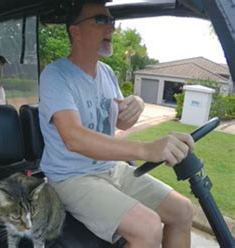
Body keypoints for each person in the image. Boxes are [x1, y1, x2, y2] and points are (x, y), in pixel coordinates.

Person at [38, 2, 194, 248]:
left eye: (112, 20)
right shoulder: (55, 75)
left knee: (183, 210)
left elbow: (121, 121)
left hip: (112, 169)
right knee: (148, 227)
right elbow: (74, 138)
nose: (112, 26)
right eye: (101, 20)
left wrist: (137, 104)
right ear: (75, 31)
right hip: (72, 178)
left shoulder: (108, 73)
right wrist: (145, 149)